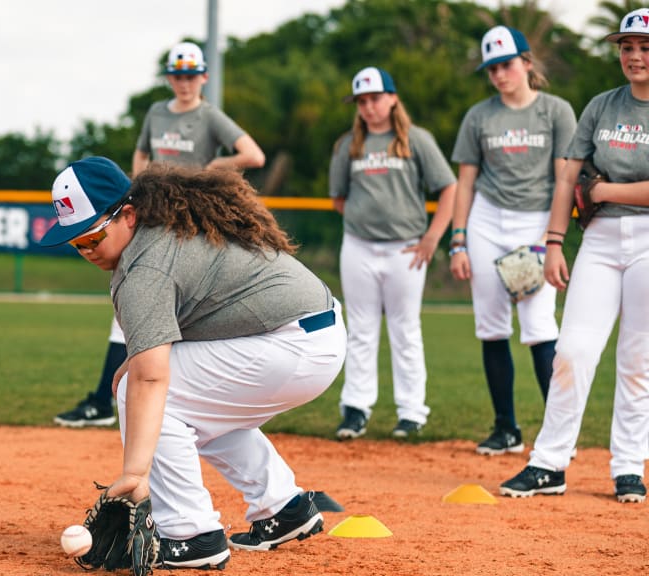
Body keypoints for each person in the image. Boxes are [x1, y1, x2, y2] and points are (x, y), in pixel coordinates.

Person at [39, 157, 345, 569]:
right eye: (76, 243)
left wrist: (135, 473)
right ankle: (283, 507)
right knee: (190, 404)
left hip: (289, 345)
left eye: (92, 237)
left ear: (127, 214)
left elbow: (151, 379)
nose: (86, 250)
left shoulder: (143, 266)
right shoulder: (161, 232)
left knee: (148, 393)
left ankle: (192, 534)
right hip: (306, 335)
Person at [54, 41, 265, 427]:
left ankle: (125, 399)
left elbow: (253, 155)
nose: (183, 82)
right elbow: (140, 156)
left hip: (186, 218)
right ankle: (110, 397)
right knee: (131, 308)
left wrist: (212, 166)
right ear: (169, 78)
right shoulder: (156, 112)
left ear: (203, 77)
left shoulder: (209, 116)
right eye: (177, 75)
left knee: (158, 303)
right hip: (152, 212)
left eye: (190, 75)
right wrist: (136, 188)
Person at [501, 8, 649, 504]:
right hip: (601, 239)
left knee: (637, 360)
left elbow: (597, 184)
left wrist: (606, 188)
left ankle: (628, 466)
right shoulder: (602, 106)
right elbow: (569, 176)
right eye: (627, 46)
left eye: (645, 47)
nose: (634, 55)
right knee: (572, 351)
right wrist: (553, 241)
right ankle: (549, 463)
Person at [449, 26, 577, 456]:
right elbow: (465, 183)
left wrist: (548, 240)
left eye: (506, 64)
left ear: (526, 62)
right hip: (487, 222)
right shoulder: (479, 116)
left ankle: (559, 432)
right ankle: (506, 428)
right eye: (492, 68)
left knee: (540, 326)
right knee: (491, 327)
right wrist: (459, 240)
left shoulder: (555, 110)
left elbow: (565, 178)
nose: (499, 74)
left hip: (536, 221)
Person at [329, 67, 457, 440]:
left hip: (406, 248)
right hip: (359, 246)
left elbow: (447, 188)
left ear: (392, 98)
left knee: (405, 329)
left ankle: (412, 412)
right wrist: (363, 219)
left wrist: (433, 237)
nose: (368, 107)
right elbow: (338, 198)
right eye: (362, 102)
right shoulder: (348, 144)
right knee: (361, 328)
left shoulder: (415, 139)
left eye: (375, 99)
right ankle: (355, 409)